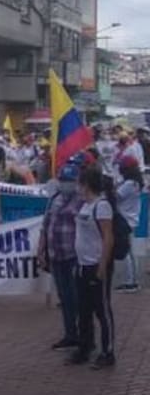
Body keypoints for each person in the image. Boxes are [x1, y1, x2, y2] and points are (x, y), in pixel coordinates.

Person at [68, 166, 116, 368]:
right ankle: (85, 346)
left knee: (102, 311)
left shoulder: (101, 205)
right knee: (84, 309)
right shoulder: (84, 205)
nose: (77, 187)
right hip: (82, 264)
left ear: (86, 185)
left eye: (79, 183)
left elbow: (108, 238)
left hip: (97, 264)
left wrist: (102, 267)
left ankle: (108, 352)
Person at [38, 162, 85, 352]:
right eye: (63, 180)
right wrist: (41, 248)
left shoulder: (83, 200)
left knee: (76, 297)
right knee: (64, 298)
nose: (66, 184)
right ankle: (70, 334)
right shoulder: (55, 198)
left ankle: (83, 334)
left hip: (74, 256)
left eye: (69, 181)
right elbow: (46, 224)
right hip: (56, 255)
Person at [114, 156, 142, 294]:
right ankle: (132, 281)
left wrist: (110, 187)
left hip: (126, 220)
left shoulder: (130, 184)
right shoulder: (134, 183)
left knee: (126, 253)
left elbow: (115, 196)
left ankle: (130, 282)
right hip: (129, 219)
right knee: (130, 252)